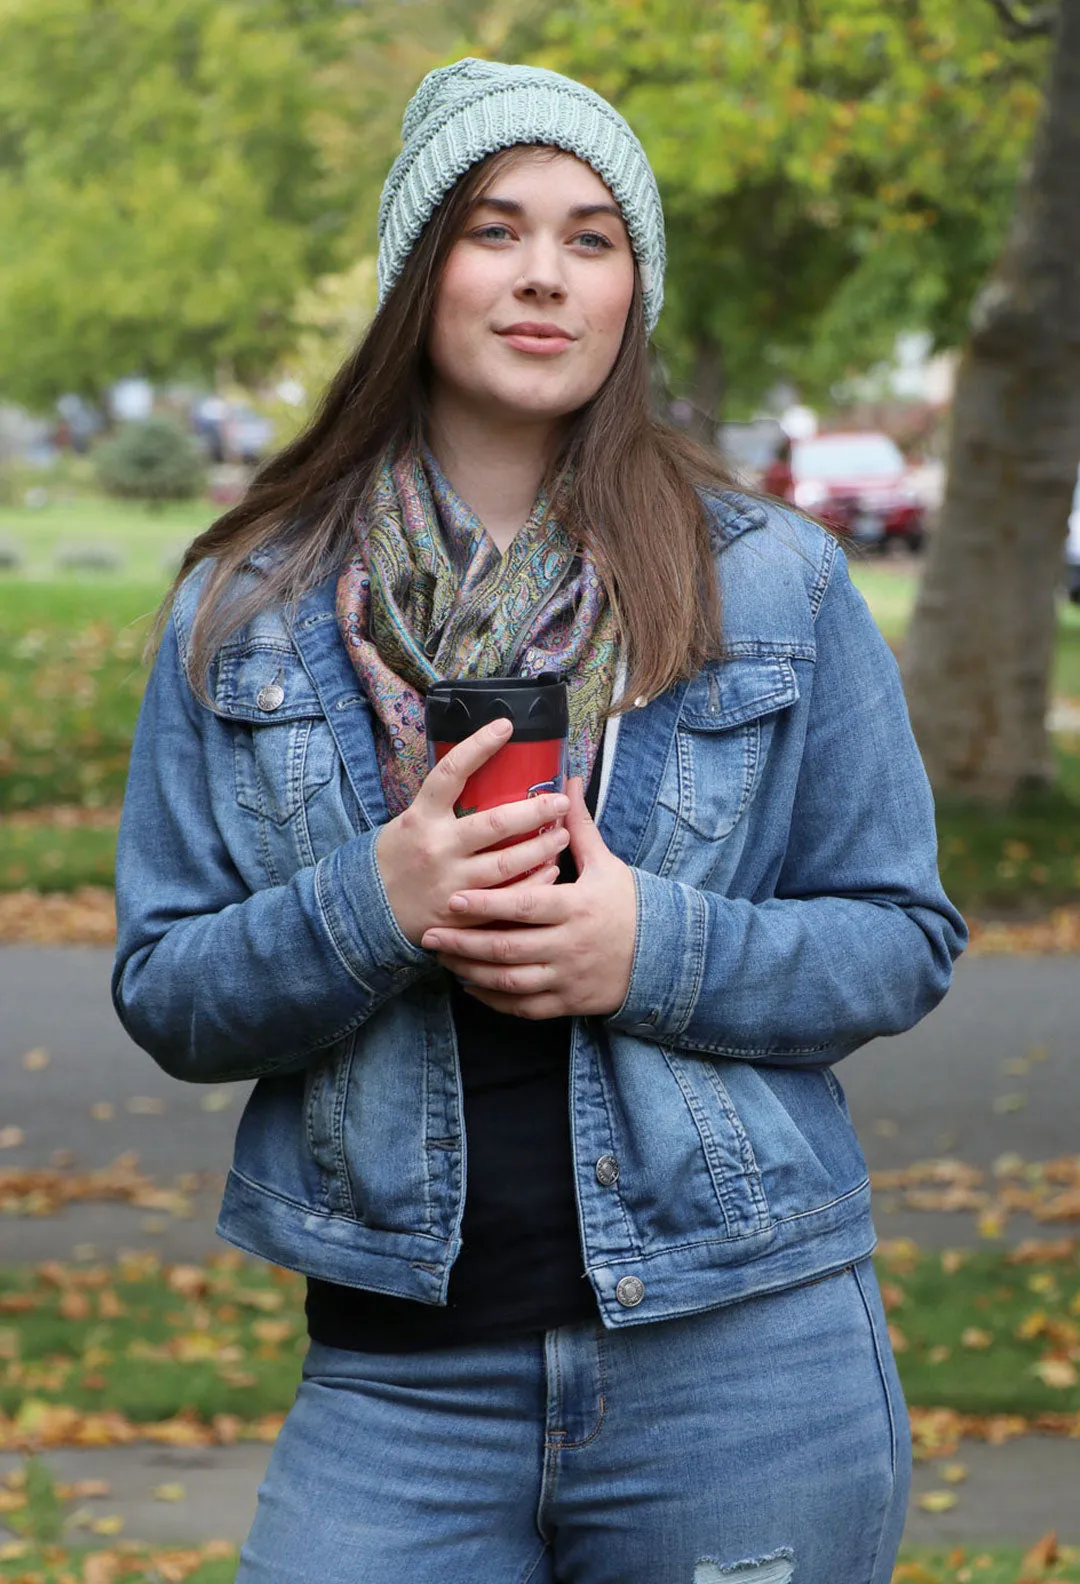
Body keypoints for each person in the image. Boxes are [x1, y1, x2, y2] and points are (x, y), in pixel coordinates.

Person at [112, 57, 967, 1584]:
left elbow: (899, 940)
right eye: (494, 228)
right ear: (415, 266)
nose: (543, 276)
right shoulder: (244, 609)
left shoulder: (776, 579)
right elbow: (170, 991)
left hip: (741, 1359)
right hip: (399, 1380)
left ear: (633, 290)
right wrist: (378, 901)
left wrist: (652, 947)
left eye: (592, 238)